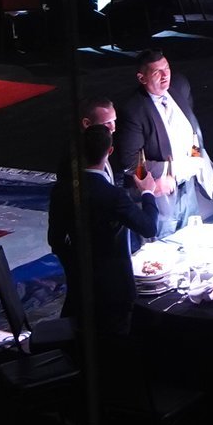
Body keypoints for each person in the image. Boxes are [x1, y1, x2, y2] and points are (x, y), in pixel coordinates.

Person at [47, 121, 156, 341]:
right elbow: (148, 227)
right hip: (115, 288)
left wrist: (76, 266)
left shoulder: (61, 191)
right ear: (110, 151)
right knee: (116, 341)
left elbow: (55, 240)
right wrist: (148, 193)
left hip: (81, 287)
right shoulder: (112, 196)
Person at [113, 50, 213, 233]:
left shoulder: (179, 86)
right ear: (142, 78)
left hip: (189, 187)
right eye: (157, 72)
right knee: (165, 242)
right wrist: (168, 170)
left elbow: (192, 130)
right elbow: (130, 162)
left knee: (193, 236)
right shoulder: (133, 110)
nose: (165, 76)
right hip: (162, 194)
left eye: (167, 68)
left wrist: (194, 157)